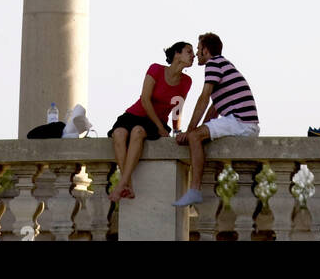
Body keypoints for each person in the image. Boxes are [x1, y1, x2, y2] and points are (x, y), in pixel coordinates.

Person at [174, 32, 259, 206]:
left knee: (195, 137)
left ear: (205, 50)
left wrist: (191, 132)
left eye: (198, 49)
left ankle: (195, 190)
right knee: (198, 135)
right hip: (245, 123)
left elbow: (204, 99)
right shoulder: (224, 64)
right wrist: (201, 128)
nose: (197, 53)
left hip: (240, 122)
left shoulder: (213, 64)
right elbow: (214, 108)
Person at [109, 42, 194, 200]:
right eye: (189, 51)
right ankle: (128, 185)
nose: (193, 55)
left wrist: (176, 131)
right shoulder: (155, 69)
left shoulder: (186, 81)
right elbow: (145, 100)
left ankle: (122, 184)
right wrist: (159, 127)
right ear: (177, 54)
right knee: (119, 133)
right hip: (135, 114)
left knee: (138, 132)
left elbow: (178, 107)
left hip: (155, 121)